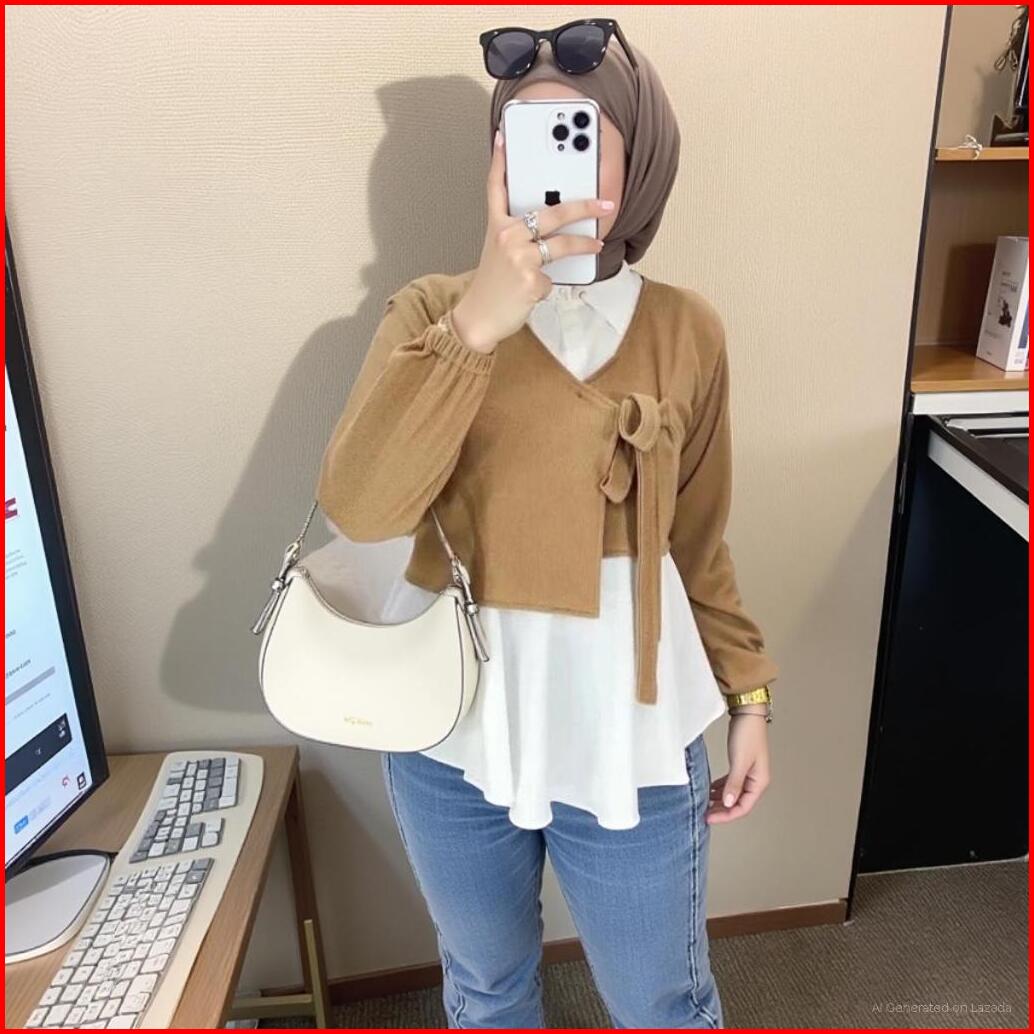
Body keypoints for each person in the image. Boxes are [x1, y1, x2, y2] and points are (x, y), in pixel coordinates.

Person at [316, 20, 779, 1030]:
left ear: (637, 158)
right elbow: (361, 505)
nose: (542, 166)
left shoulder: (685, 330)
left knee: (660, 1001)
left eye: (575, 135)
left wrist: (749, 695)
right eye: (516, 138)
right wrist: (479, 322)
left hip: (631, 731)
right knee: (485, 990)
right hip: (451, 731)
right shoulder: (429, 313)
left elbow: (698, 542)